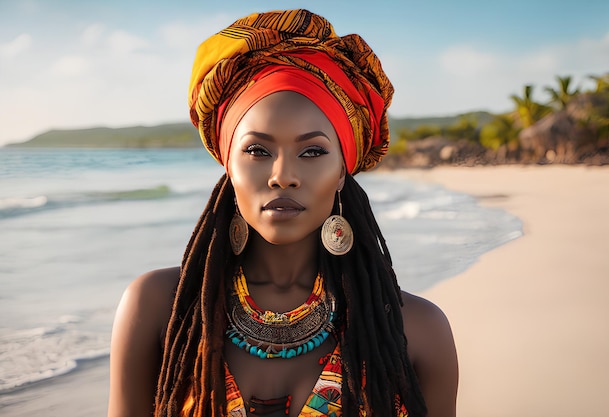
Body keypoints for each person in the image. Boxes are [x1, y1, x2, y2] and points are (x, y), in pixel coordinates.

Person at [108, 9, 458, 417]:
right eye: (258, 150)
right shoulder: (157, 308)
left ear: (343, 170)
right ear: (227, 164)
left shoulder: (417, 330)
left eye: (312, 151)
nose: (282, 176)